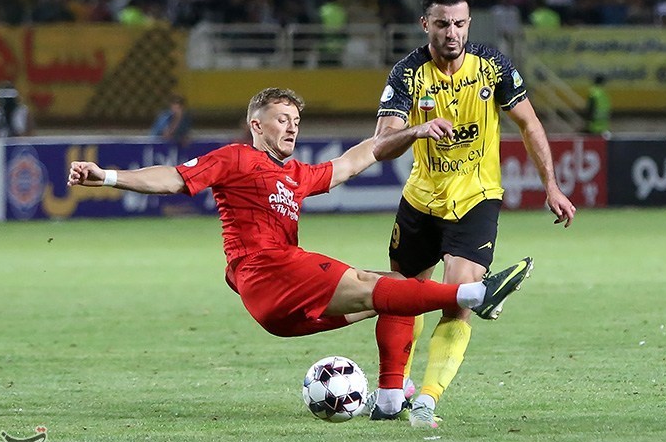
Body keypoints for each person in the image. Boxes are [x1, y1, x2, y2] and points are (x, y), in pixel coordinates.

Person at [67, 87, 533, 344]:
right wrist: (107, 177)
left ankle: (392, 398)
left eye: (296, 121)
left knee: (390, 294)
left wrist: (412, 131)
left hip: (281, 307)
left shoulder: (295, 174)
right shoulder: (235, 157)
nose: (292, 127)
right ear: (256, 125)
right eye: (281, 119)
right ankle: (474, 293)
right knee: (375, 283)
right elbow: (172, 178)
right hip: (265, 270)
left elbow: (350, 163)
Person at [368, 0, 576, 428]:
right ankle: (394, 391)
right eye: (442, 24)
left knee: (457, 300)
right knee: (402, 298)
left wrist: (552, 187)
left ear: (469, 23)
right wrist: (418, 130)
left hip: (476, 199)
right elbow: (381, 146)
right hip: (421, 200)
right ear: (425, 24)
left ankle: (427, 399)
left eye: (460, 24)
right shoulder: (407, 73)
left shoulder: (492, 66)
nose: (452, 33)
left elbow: (530, 124)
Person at [584, 74, 612, 138]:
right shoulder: (604, 94)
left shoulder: (593, 93)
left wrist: (587, 123)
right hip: (604, 127)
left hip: (593, 127)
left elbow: (590, 110)